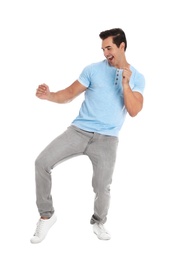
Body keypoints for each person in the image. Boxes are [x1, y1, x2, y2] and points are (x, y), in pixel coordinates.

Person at [30, 28, 145, 244]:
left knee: (102, 186)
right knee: (42, 162)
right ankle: (47, 215)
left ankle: (98, 221)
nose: (105, 53)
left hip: (107, 139)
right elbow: (68, 94)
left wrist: (126, 84)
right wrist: (49, 96)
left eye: (109, 48)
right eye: (103, 49)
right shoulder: (92, 70)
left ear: (122, 46)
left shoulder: (138, 77)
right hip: (79, 131)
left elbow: (134, 110)